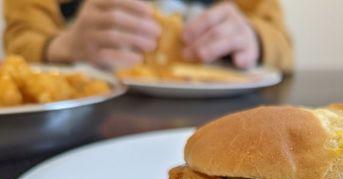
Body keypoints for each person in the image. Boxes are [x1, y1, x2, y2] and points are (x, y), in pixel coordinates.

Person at [3, 0, 293, 72]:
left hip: (217, 119)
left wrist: (254, 37)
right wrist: (62, 45)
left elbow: (283, 46)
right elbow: (21, 38)